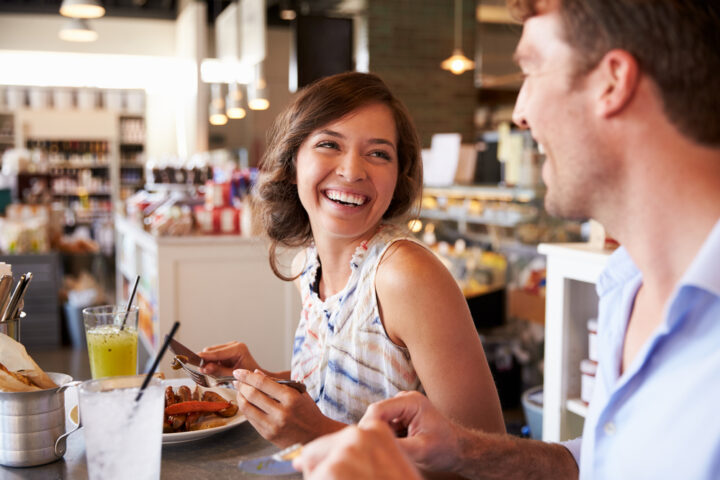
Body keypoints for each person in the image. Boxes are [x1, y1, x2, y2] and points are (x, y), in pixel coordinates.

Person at [294, 0, 720, 478]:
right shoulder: (629, 288)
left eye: (531, 69)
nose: (520, 112)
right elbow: (600, 463)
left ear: (612, 82)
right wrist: (465, 451)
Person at [198, 72, 505, 448]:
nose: (352, 170)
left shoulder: (404, 276)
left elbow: (484, 456)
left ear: (398, 178)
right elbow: (339, 394)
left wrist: (318, 433)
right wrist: (260, 379)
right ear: (293, 161)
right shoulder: (306, 268)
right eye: (329, 144)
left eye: (378, 153)